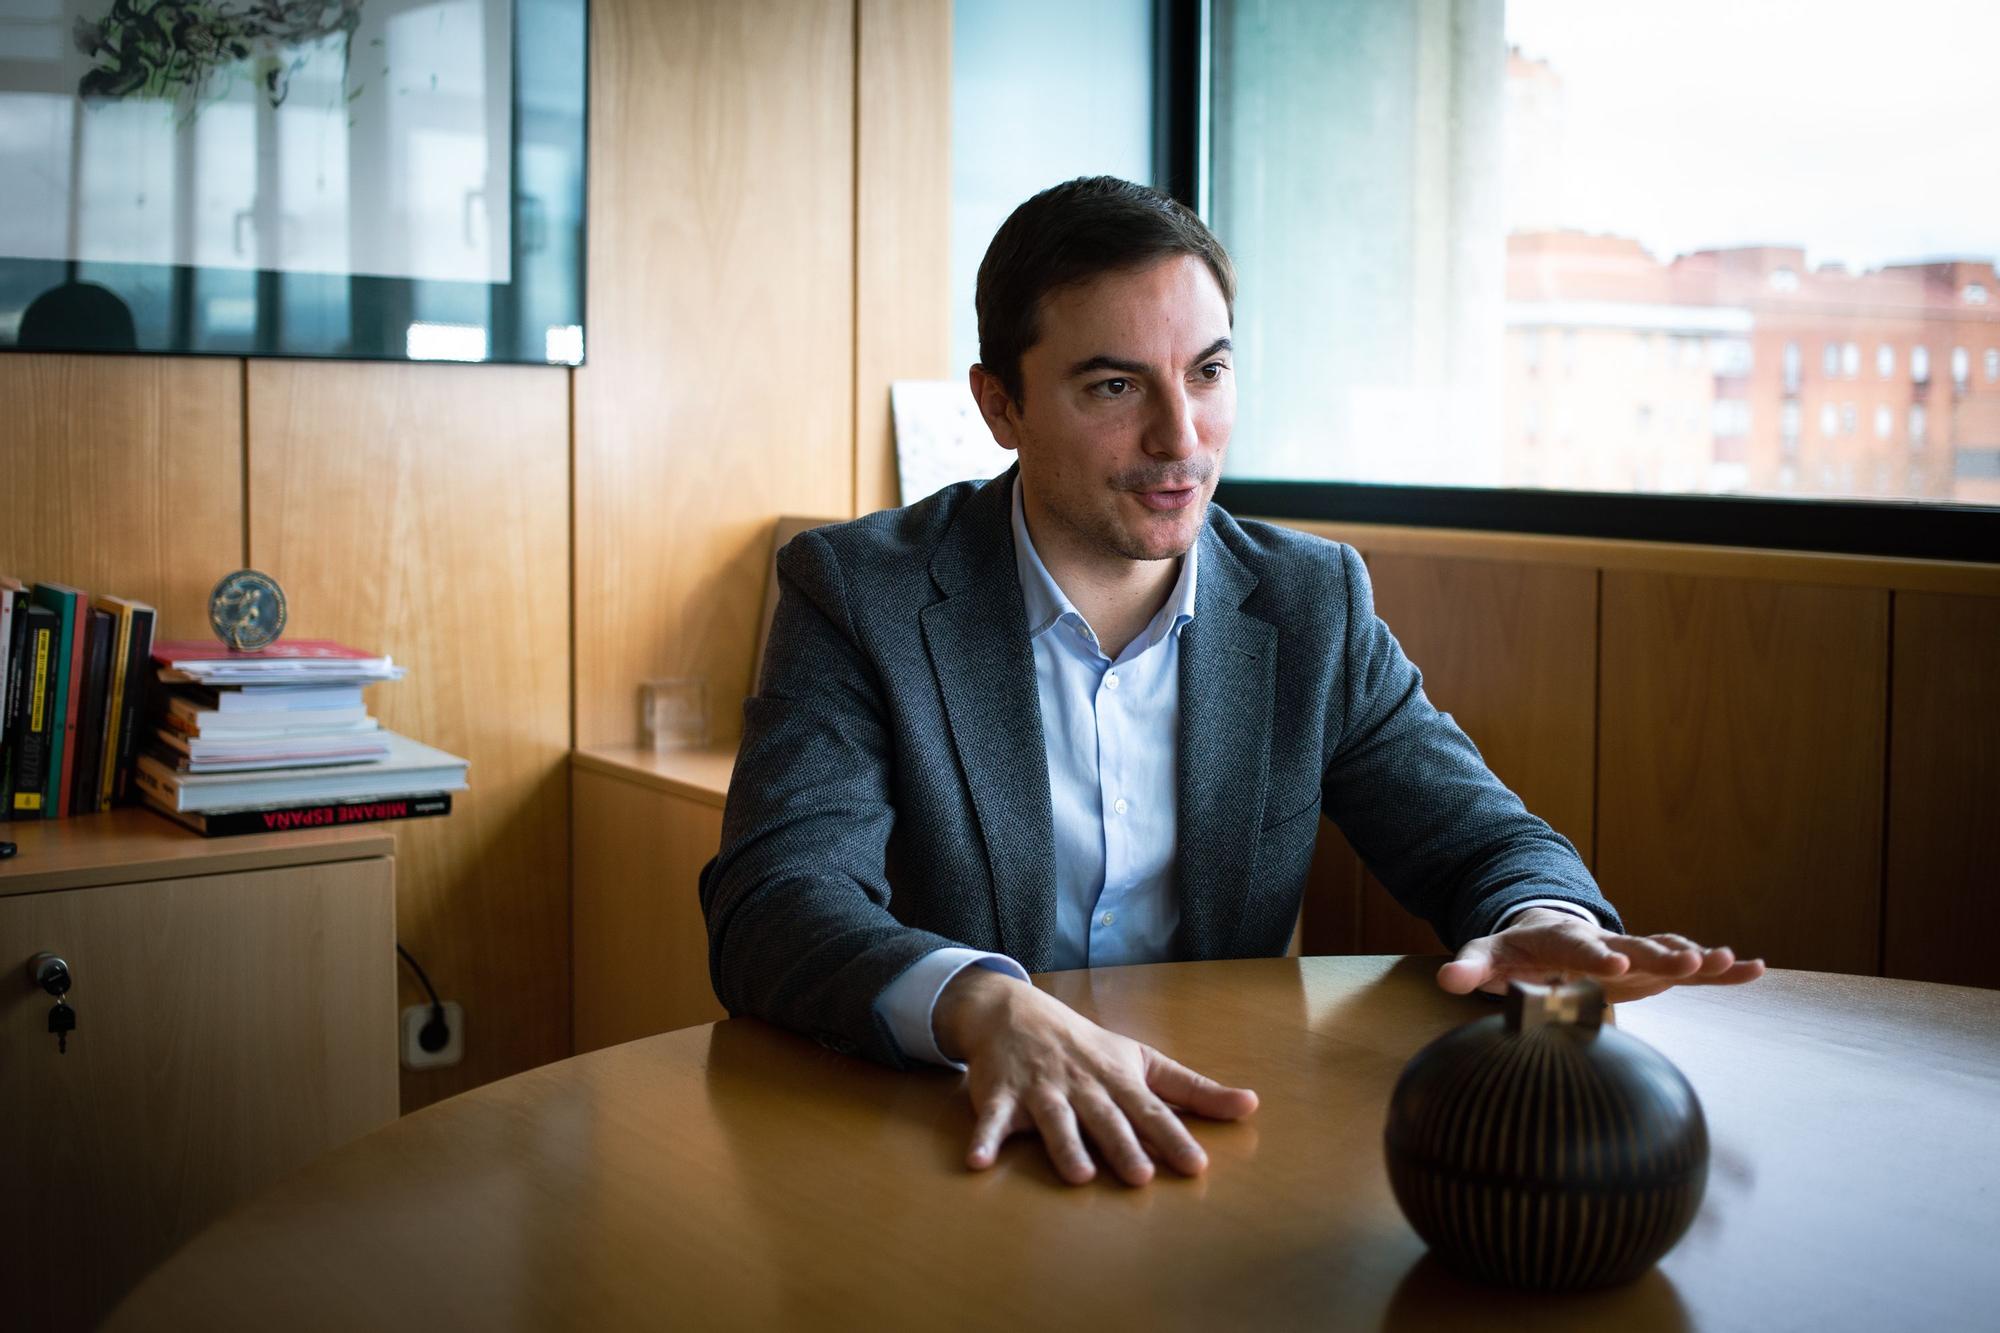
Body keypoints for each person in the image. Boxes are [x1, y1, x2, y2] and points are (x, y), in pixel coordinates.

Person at [701, 176, 1763, 1188]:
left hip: (1207, 1140)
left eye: (1206, 372)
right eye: (1113, 386)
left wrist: (1544, 918)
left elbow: (1478, 836)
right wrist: (982, 1005)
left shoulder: (1308, 602)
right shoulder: (859, 593)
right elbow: (775, 904)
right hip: (940, 1135)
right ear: (999, 407)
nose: (1180, 439)